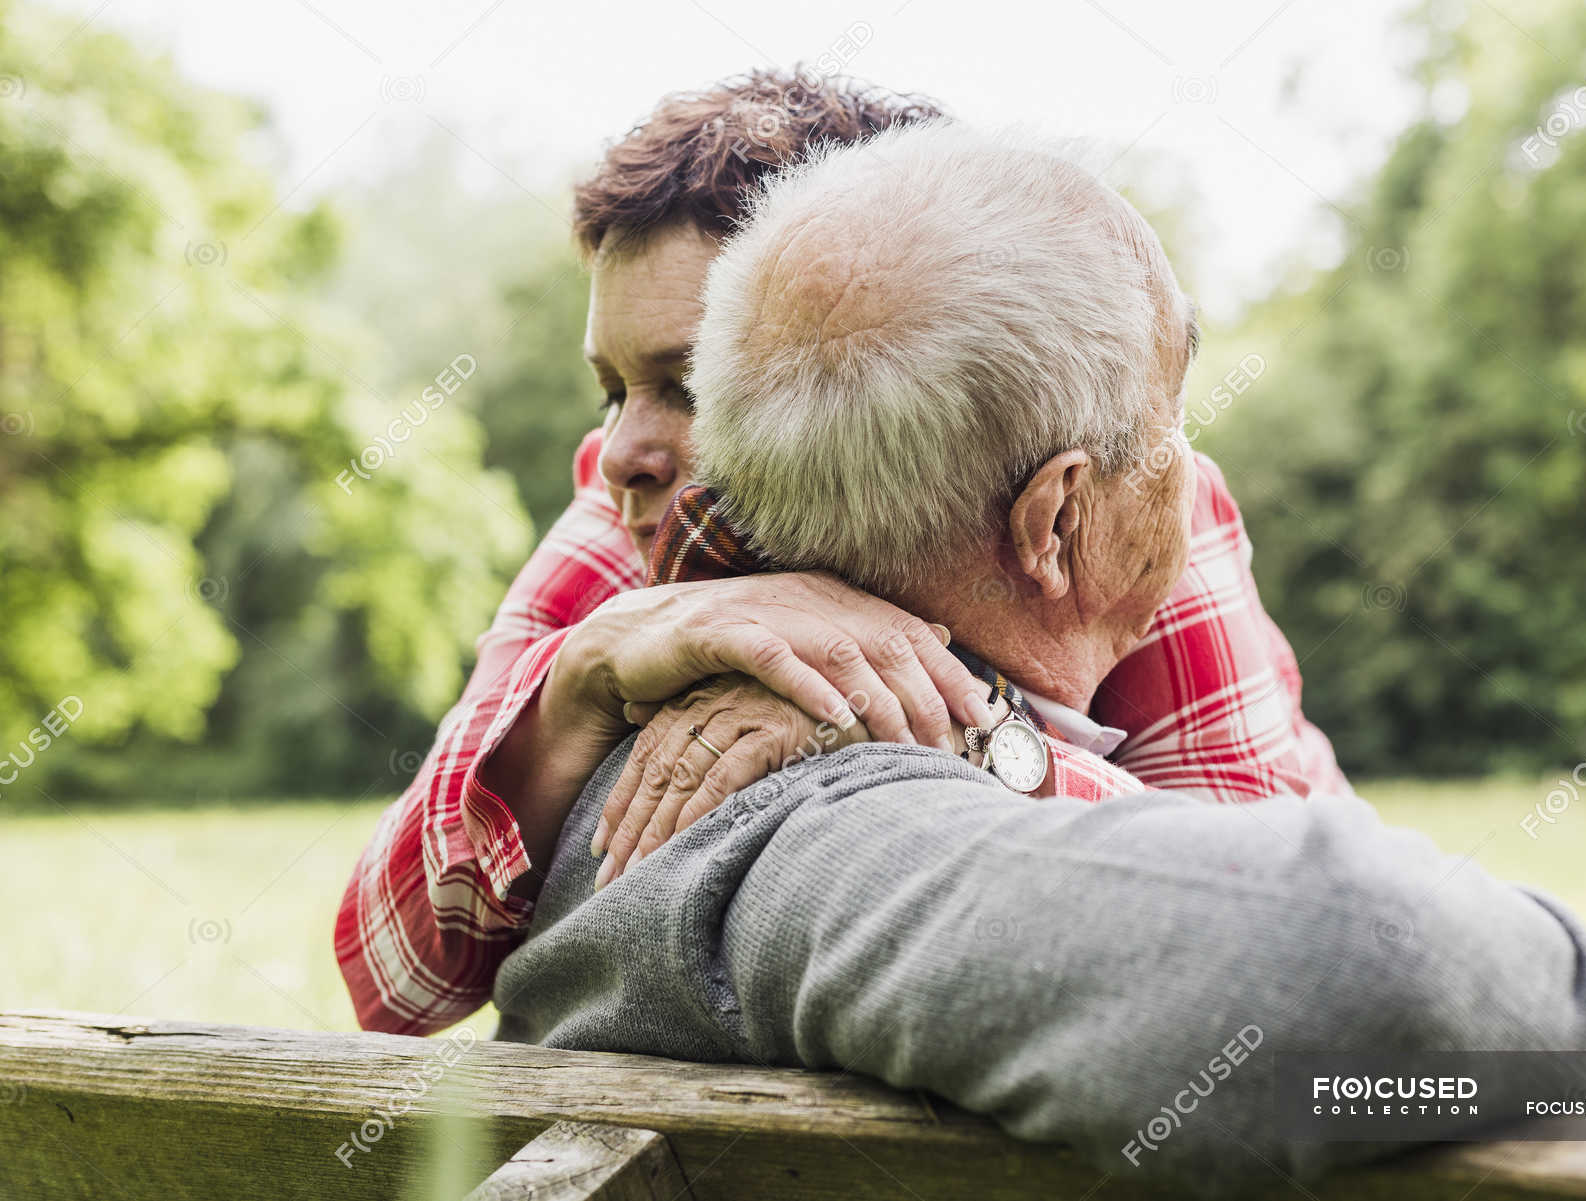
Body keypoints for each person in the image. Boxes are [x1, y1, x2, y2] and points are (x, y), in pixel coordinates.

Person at [489, 128, 1586, 1193]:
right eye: (1170, 423)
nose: (1194, 477)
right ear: (1056, 518)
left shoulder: (714, 767)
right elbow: (1364, 955)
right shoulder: (772, 813)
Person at [336, 70, 1342, 1037]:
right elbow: (395, 983)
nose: (622, 449)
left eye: (688, 383)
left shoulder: (1133, 498)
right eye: (612, 387)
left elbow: (1264, 921)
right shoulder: (635, 506)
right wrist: (579, 683)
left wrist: (955, 731)